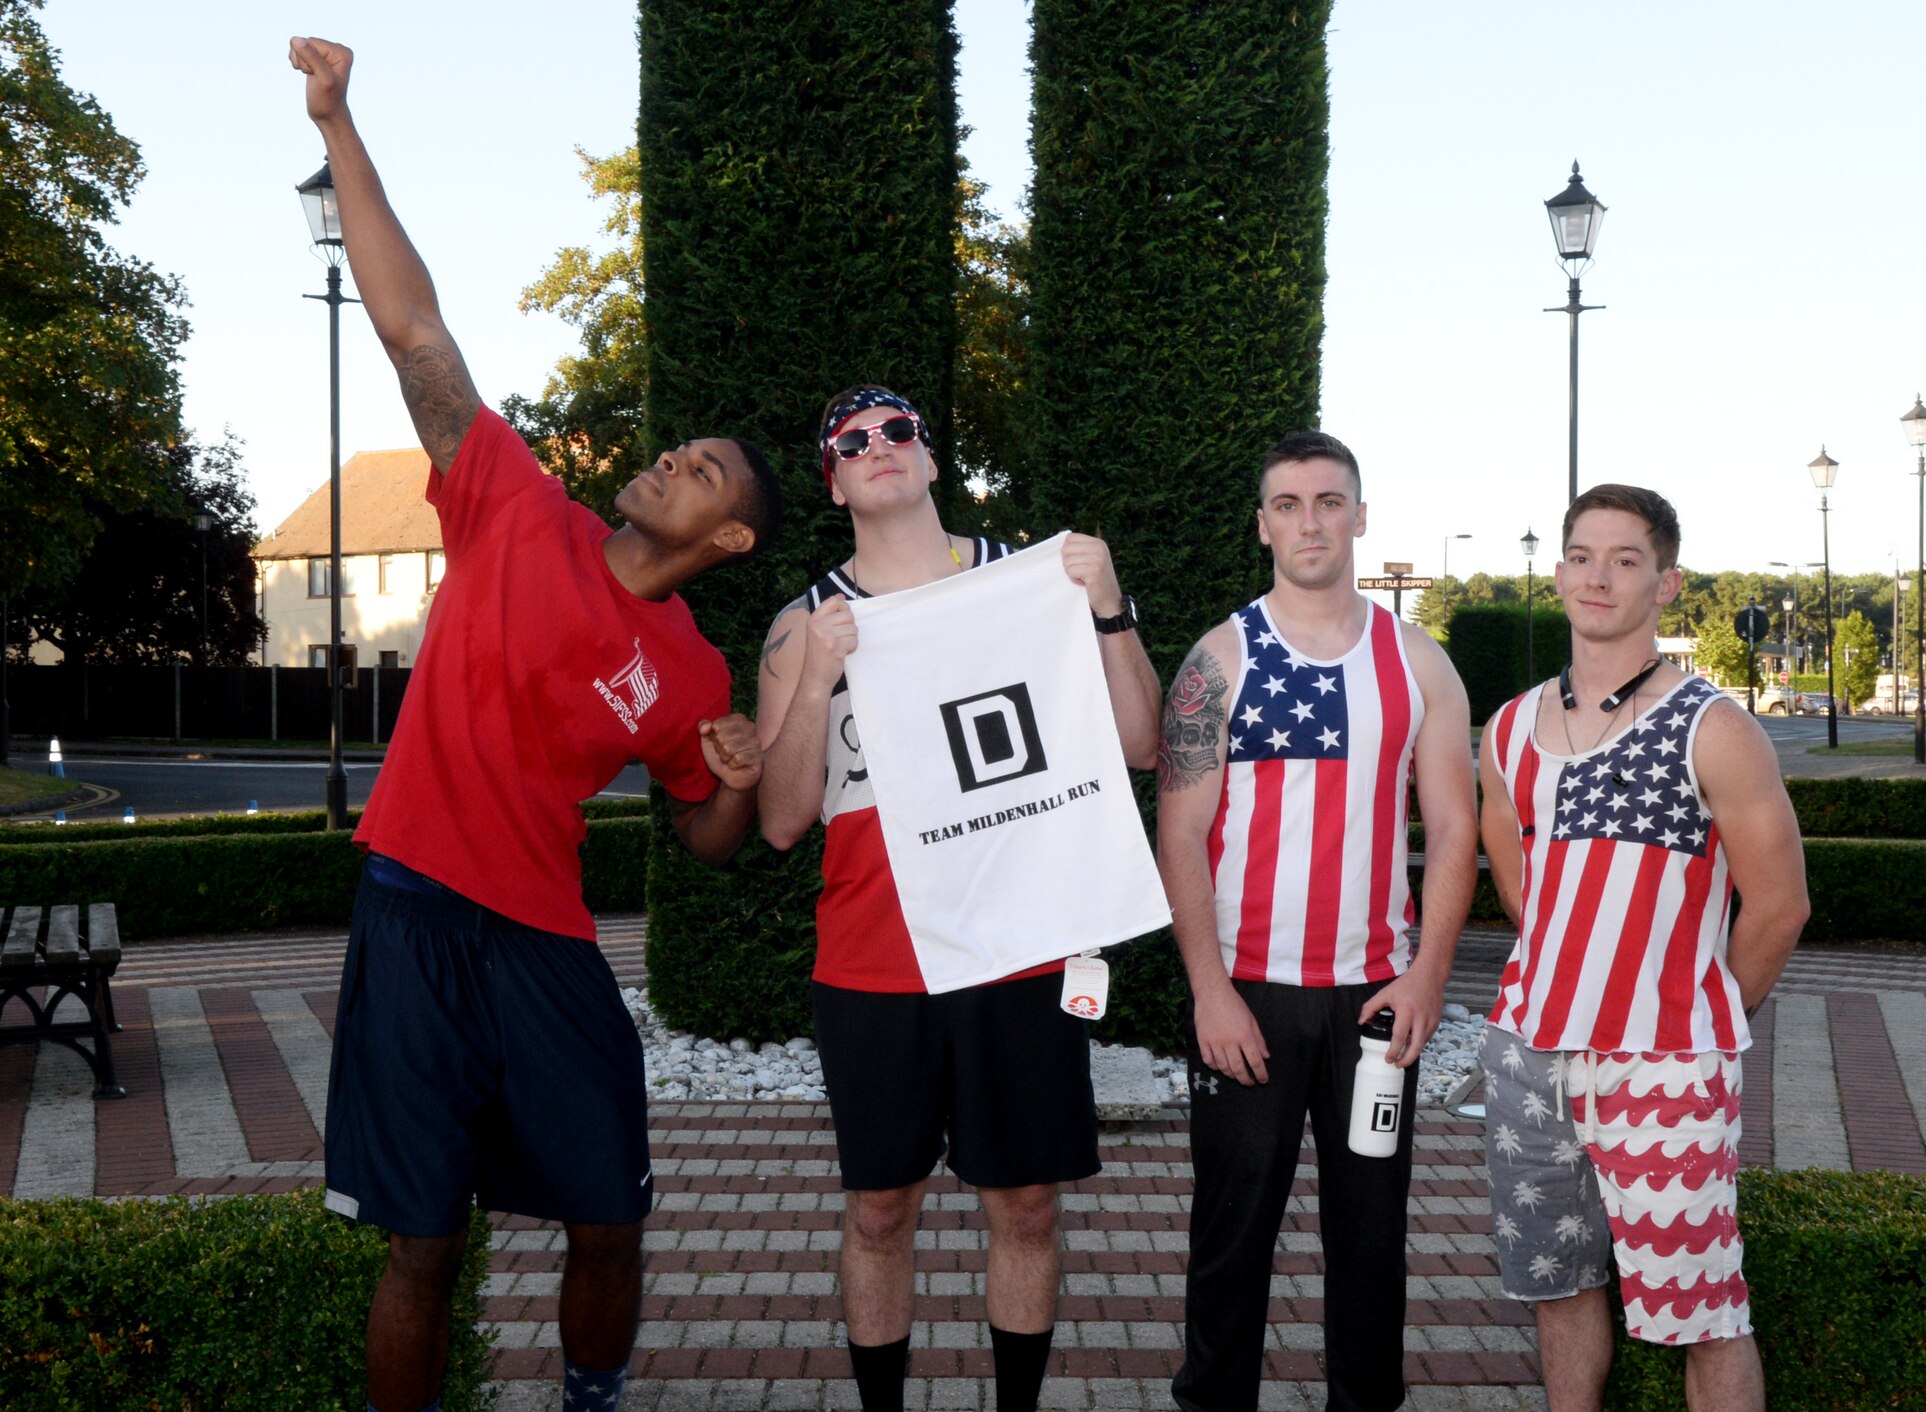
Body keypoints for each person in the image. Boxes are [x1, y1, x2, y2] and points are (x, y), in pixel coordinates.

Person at [290, 38, 782, 1412]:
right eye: (680, 447)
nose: (674, 457)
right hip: (413, 908)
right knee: (423, 1245)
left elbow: (706, 838)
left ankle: (589, 1396)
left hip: (544, 944)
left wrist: (739, 775)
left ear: (727, 538)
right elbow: (415, 332)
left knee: (612, 1217)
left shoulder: (688, 670)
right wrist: (339, 124)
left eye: (704, 471)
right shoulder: (512, 502)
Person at [754, 385, 1161, 1412]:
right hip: (871, 959)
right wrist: (817, 679)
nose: (879, 447)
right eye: (852, 442)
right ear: (834, 482)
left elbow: (1139, 743)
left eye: (899, 431)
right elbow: (780, 819)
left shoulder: (1032, 582)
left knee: (1026, 1206)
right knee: (878, 1210)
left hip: (1019, 948)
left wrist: (1108, 605)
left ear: (931, 459)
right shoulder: (803, 624)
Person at [1157, 431, 1479, 1412]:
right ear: (1262, 524)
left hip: (1374, 1005)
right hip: (1246, 999)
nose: (1309, 522)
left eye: (1328, 502)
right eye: (1288, 504)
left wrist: (1427, 977)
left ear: (1359, 516)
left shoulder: (1418, 662)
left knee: (1371, 1240)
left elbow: (1455, 830)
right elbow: (1179, 832)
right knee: (1230, 1238)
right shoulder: (1218, 659)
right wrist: (1209, 991)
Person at [1478, 484, 1809, 1412]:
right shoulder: (1509, 728)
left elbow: (1780, 907)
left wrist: (1698, 1012)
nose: (1598, 577)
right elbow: (1520, 888)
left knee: (1705, 1315)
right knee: (1559, 1290)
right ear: (1558, 573)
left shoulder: (1717, 728)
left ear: (1666, 583)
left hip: (1666, 1068)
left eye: (1625, 561)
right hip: (1528, 1055)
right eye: (1582, 557)